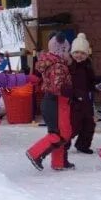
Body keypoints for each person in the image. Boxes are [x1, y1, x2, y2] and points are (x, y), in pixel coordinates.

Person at [25, 37, 76, 171]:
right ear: (61, 50)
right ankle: (35, 153)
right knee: (62, 134)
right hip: (56, 101)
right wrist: (72, 92)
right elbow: (57, 87)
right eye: (67, 50)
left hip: (52, 101)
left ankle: (58, 163)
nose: (69, 53)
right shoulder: (58, 65)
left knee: (57, 131)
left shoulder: (52, 62)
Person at [65, 34, 101, 155]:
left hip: (86, 100)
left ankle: (83, 145)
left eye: (82, 53)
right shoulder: (69, 67)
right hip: (74, 101)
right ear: (72, 53)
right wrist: (76, 95)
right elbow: (67, 85)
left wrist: (96, 86)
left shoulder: (88, 66)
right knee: (74, 125)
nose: (79, 55)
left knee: (89, 124)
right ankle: (64, 144)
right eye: (76, 52)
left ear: (87, 54)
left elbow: (91, 82)